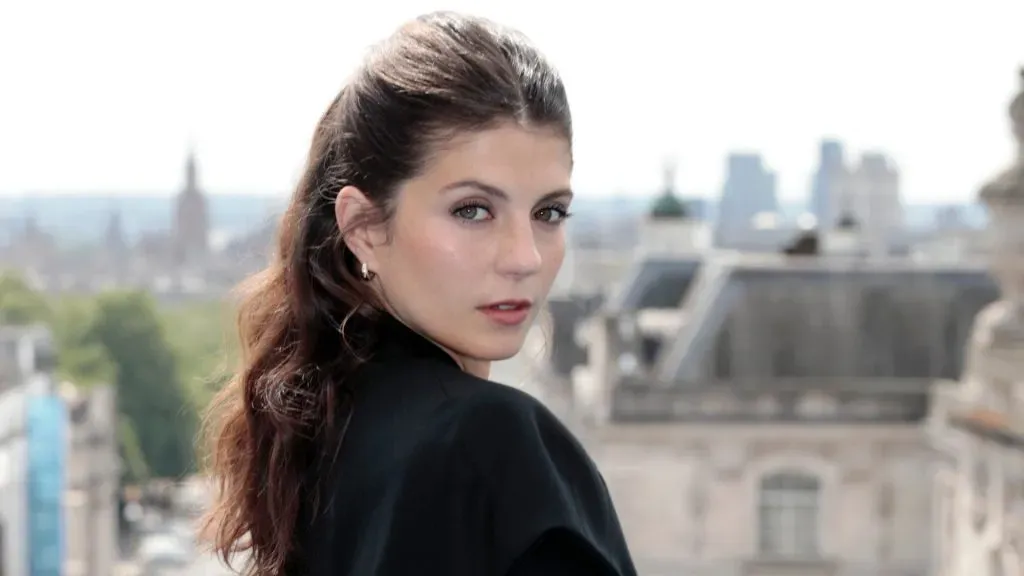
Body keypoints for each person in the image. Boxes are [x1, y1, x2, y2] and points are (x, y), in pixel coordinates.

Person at [201, 11, 637, 576]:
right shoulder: (491, 444)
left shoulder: (323, 436)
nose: (525, 257)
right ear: (363, 227)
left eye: (548, 212)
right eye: (473, 210)